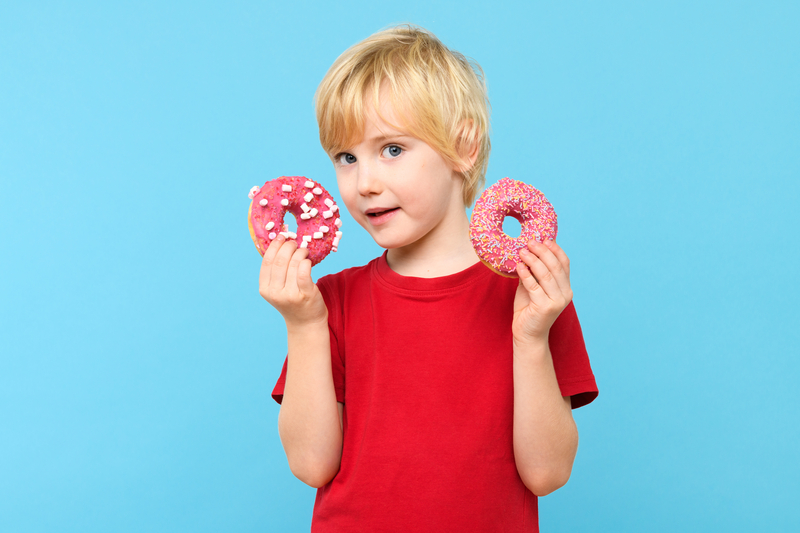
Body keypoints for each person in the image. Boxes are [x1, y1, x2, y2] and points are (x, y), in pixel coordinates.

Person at [260, 24, 598, 532]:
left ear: (464, 145)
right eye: (346, 158)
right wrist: (303, 325)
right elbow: (311, 464)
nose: (366, 183)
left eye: (392, 149)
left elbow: (547, 473)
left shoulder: (530, 296)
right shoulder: (330, 301)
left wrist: (529, 339)